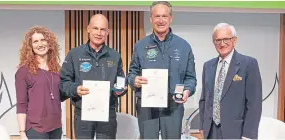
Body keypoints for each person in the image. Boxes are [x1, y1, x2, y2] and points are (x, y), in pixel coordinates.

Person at [127, 1, 197, 139]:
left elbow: (191, 78)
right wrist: (134, 80)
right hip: (147, 107)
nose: (160, 20)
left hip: (173, 106)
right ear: (151, 19)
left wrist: (187, 90)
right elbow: (131, 74)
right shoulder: (140, 46)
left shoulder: (184, 46)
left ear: (170, 18)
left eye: (164, 16)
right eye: (157, 16)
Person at [59, 14, 127, 139]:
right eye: (95, 28)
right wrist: (75, 89)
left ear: (108, 32)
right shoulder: (74, 54)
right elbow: (63, 82)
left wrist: (121, 90)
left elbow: (121, 81)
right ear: (88, 29)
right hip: (83, 113)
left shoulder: (115, 56)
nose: (99, 33)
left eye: (102, 29)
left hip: (107, 113)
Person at [199, 23, 262, 139]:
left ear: (234, 40)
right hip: (210, 131)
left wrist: (248, 135)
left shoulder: (248, 64)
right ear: (214, 42)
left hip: (236, 132)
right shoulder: (208, 66)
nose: (222, 44)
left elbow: (254, 104)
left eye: (226, 39)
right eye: (218, 40)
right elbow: (204, 99)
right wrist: (202, 126)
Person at [15, 26, 65, 139]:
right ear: (30, 46)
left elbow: (60, 95)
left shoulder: (58, 70)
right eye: (35, 41)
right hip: (35, 129)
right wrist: (22, 132)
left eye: (43, 40)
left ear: (49, 43)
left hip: (56, 128)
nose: (40, 44)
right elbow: (21, 104)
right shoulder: (23, 71)